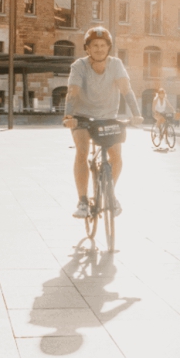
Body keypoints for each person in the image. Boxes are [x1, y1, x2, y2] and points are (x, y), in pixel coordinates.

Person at [62, 26, 139, 218]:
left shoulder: (116, 64)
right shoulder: (79, 66)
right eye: (94, 45)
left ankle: (109, 193)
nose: (99, 49)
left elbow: (126, 89)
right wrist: (69, 116)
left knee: (116, 156)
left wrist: (136, 114)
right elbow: (73, 92)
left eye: (103, 45)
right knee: (82, 151)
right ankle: (82, 201)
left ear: (108, 47)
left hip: (108, 117)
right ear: (87, 48)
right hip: (82, 116)